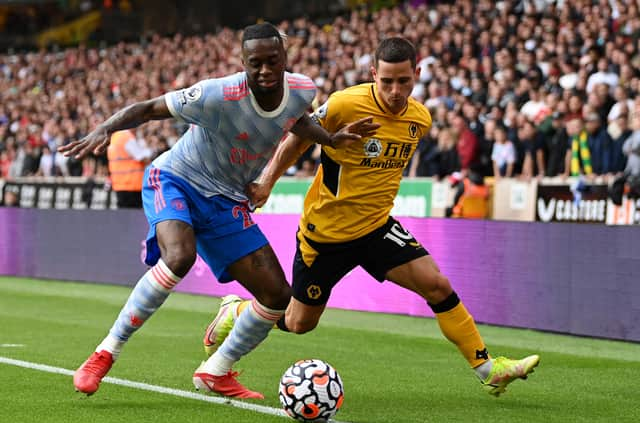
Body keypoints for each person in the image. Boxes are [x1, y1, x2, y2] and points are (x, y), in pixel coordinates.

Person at [204, 37, 539, 398]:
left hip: (377, 229)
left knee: (437, 285)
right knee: (299, 323)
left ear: (418, 75)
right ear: (373, 74)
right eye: (387, 82)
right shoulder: (345, 104)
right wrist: (267, 182)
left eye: (404, 82)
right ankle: (238, 311)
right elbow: (297, 140)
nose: (396, 91)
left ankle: (489, 369)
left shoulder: (419, 118)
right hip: (326, 236)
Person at [59, 22, 378, 399]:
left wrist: (329, 138)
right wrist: (105, 128)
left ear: (285, 58)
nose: (263, 71)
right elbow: (148, 108)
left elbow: (296, 120)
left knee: (277, 296)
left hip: (227, 200)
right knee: (179, 256)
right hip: (176, 179)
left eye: (271, 61)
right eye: (254, 63)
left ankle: (216, 370)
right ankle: (105, 352)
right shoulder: (217, 94)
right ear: (241, 62)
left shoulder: (302, 89)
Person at [107, 129, 153, 208]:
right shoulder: (127, 137)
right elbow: (141, 157)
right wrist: (150, 151)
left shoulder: (114, 137)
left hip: (119, 185)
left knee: (123, 216)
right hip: (133, 186)